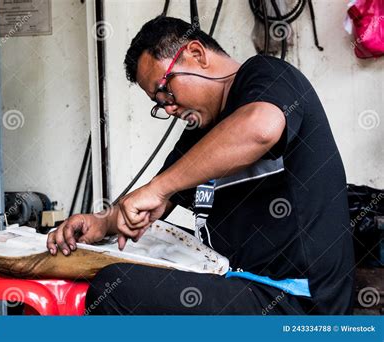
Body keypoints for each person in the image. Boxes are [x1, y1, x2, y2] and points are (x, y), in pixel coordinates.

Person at [46, 16, 354, 315]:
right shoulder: (201, 133)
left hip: (295, 301)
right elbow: (152, 203)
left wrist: (160, 188)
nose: (168, 108)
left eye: (165, 91)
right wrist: (101, 222)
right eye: (159, 103)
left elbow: (260, 129)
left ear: (196, 54)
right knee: (142, 249)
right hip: (244, 285)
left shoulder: (268, 76)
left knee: (115, 287)